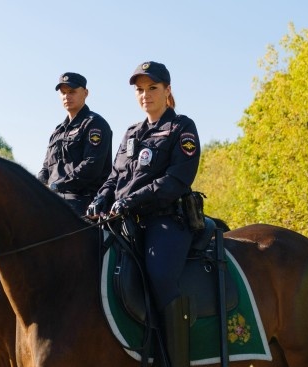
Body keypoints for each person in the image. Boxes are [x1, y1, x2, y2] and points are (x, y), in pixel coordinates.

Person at [87, 61, 200, 366]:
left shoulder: (181, 128)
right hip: (125, 221)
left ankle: (173, 357)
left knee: (159, 275)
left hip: (166, 220)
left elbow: (176, 180)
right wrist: (101, 199)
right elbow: (114, 177)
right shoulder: (131, 133)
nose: (145, 95)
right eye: (140, 90)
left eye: (152, 88)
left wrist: (131, 200)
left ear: (167, 91)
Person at [38, 72, 113, 215]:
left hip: (81, 200)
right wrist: (37, 186)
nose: (67, 96)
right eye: (63, 93)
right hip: (52, 198)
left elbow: (91, 166)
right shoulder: (57, 131)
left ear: (85, 93)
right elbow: (46, 168)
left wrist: (56, 186)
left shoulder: (94, 124)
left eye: (72, 91)